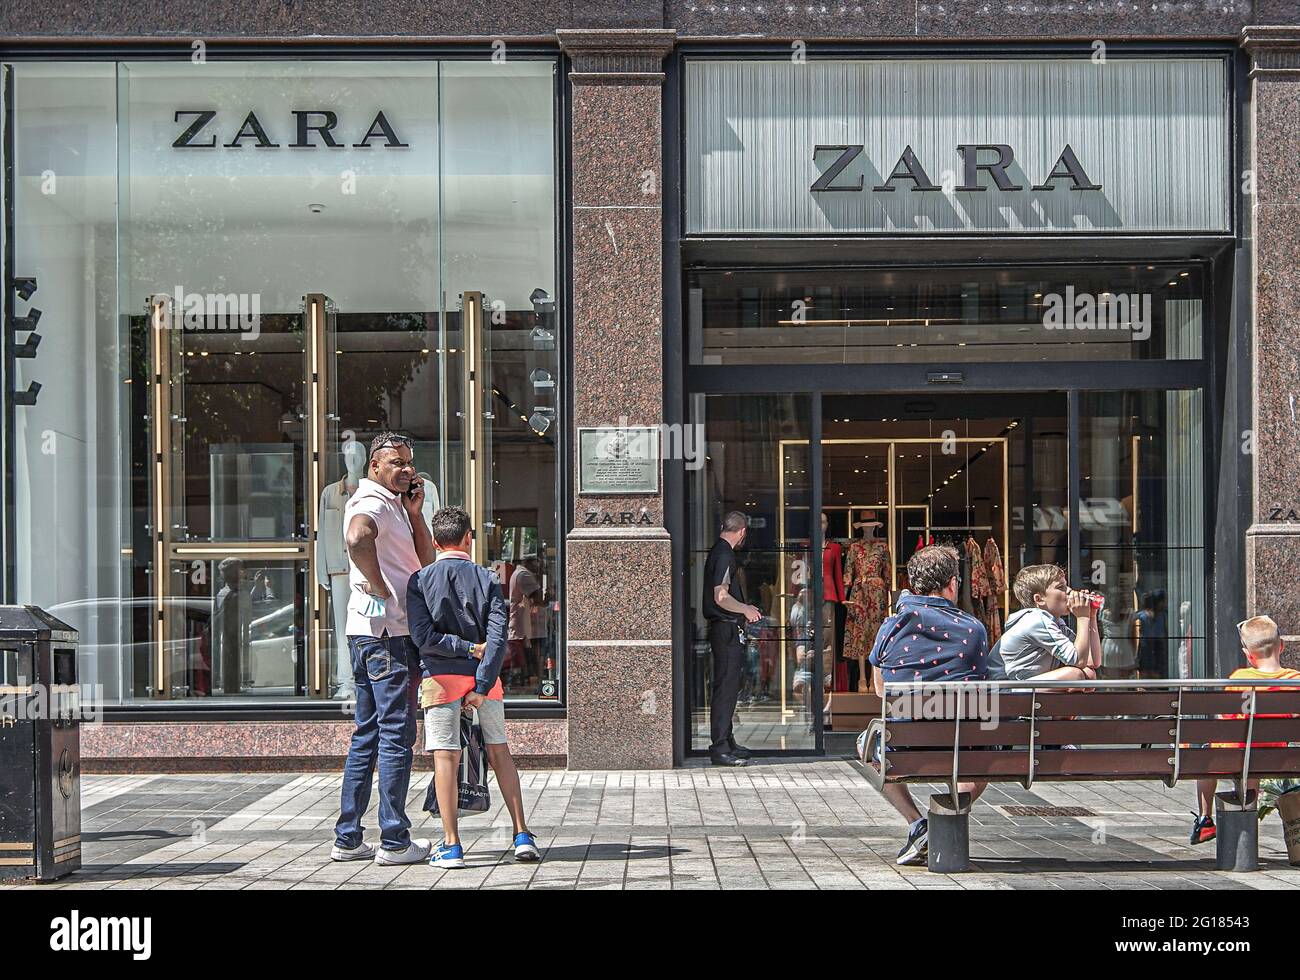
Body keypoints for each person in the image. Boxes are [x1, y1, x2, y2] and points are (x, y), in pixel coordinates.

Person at [407, 506, 539, 868]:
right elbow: (498, 639)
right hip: (486, 680)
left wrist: (459, 649)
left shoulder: (419, 581)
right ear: (469, 538)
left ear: (434, 542)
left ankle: (451, 845)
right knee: (500, 753)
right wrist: (481, 683)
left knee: (445, 757)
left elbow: (423, 638)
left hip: (440, 681)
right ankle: (522, 834)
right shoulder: (488, 579)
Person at [331, 432, 435, 866]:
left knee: (368, 733)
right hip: (388, 638)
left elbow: (426, 561)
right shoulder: (370, 502)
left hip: (369, 634)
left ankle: (348, 838)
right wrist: (377, 584)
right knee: (397, 735)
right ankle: (393, 839)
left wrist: (414, 514)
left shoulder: (394, 504)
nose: (405, 469)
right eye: (396, 462)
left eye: (409, 462)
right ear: (374, 465)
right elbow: (357, 539)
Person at [860, 545, 991, 866]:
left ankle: (918, 823)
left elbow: (881, 690)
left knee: (867, 743)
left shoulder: (891, 627)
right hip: (962, 744)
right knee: (986, 757)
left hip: (903, 748)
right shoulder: (974, 629)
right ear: (951, 585)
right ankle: (938, 822)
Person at [1189, 615, 1300, 846]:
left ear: (1248, 654)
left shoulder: (1240, 679)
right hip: (1274, 757)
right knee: (1255, 759)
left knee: (1206, 756)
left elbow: (1226, 718)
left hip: (1233, 756)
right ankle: (1247, 815)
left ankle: (1205, 818)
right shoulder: (1295, 680)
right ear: (1281, 646)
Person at [702, 510, 762, 766]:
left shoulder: (718, 551)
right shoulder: (725, 554)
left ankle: (727, 741)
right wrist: (746, 609)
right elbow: (721, 596)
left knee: (726, 686)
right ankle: (720, 748)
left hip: (723, 629)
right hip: (725, 629)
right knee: (726, 689)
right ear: (742, 532)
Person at [987, 564, 1101, 682]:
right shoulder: (1036, 621)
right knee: (1075, 674)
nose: (1069, 591)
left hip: (1022, 687)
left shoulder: (1056, 623)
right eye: (1061, 587)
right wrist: (1082, 617)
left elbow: (1091, 661)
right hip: (1004, 689)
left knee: (1089, 674)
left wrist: (1091, 616)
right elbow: (1079, 661)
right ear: (1039, 599)